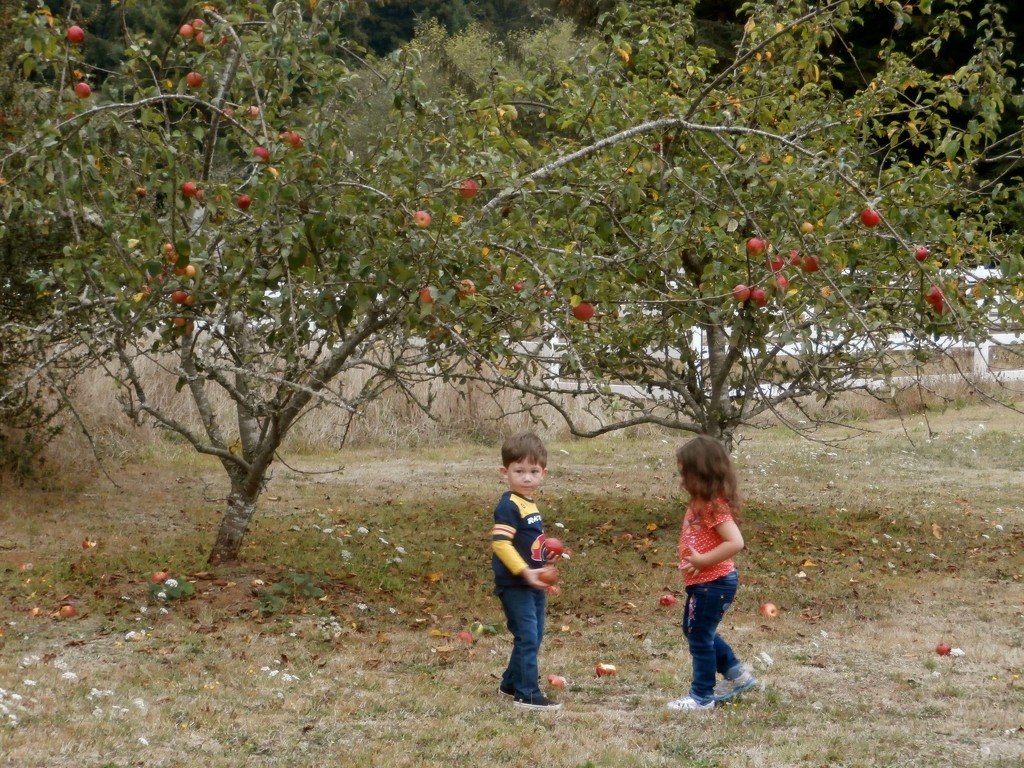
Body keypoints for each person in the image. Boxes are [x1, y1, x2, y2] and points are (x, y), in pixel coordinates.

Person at [667, 435, 757, 711]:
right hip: (703, 583)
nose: (682, 481)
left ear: (702, 474)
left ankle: (701, 696)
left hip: (714, 583)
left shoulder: (713, 506)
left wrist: (703, 560)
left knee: (700, 637)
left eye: (686, 474)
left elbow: (735, 542)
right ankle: (736, 674)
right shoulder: (700, 501)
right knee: (696, 631)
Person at [491, 431, 562, 711]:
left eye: (533, 471)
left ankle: (510, 684)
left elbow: (527, 543)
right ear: (504, 472)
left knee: (535, 634)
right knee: (528, 636)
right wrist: (525, 572)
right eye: (519, 471)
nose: (527, 477)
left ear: (544, 473)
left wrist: (546, 558)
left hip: (532, 583)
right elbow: (501, 543)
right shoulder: (508, 505)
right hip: (515, 584)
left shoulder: (529, 503)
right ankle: (527, 693)